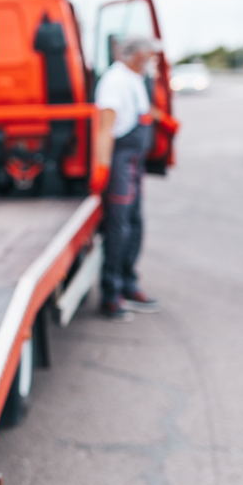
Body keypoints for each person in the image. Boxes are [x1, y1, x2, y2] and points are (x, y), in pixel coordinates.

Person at [94, 35, 164, 321]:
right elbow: (105, 128)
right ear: (137, 55)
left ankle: (129, 283)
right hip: (121, 164)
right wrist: (102, 169)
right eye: (151, 54)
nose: (154, 60)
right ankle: (112, 294)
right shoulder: (114, 82)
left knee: (134, 225)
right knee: (118, 229)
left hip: (134, 165)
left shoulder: (135, 78)